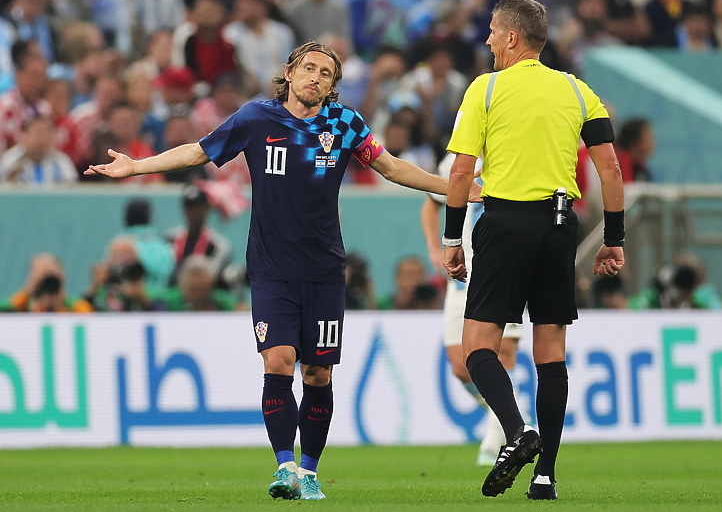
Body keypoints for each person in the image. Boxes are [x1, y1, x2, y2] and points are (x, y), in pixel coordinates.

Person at [85, 41, 479, 501]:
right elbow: (198, 152)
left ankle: (310, 470)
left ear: (332, 85)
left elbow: (391, 168)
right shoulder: (256, 119)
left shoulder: (344, 123)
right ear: (289, 73)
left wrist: (456, 190)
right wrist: (136, 167)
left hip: (326, 270)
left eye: (326, 73)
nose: (315, 77)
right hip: (271, 268)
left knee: (318, 374)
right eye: (308, 68)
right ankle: (285, 466)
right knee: (278, 360)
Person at [441, 0, 624, 501]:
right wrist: (614, 239)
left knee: (478, 345)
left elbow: (460, 171)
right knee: (550, 352)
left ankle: (517, 432)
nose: (488, 40)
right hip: (559, 227)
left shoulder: (487, 88)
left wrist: (452, 238)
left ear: (513, 38)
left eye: (494, 32)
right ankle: (546, 476)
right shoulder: (577, 89)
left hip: (503, 223)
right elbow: (610, 170)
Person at [421, 152, 523, 466]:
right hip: (462, 277)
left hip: (506, 271)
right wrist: (435, 248)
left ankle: (494, 442)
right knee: (460, 365)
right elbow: (432, 204)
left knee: (500, 355)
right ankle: (510, 415)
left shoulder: (514, 142)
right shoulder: (456, 156)